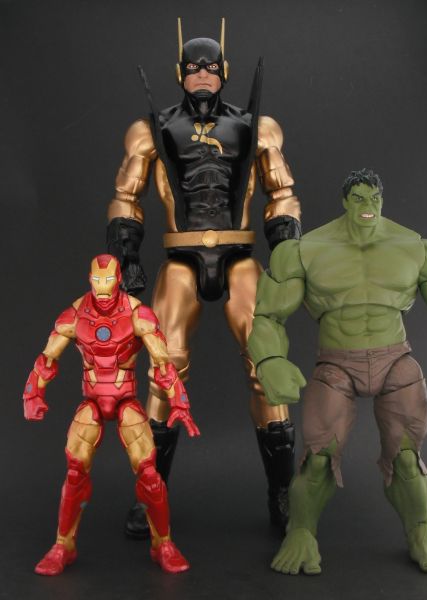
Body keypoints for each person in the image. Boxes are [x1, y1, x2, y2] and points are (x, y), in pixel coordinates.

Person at [107, 19, 302, 535]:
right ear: (179, 73)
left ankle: (283, 492)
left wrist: (287, 248)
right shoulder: (153, 129)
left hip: (239, 256)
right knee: (164, 369)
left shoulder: (256, 126)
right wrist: (126, 253)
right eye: (192, 67)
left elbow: (281, 193)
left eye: (210, 67)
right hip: (181, 258)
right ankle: (150, 494)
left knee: (267, 363)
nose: (201, 75)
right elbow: (127, 196)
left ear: (225, 71)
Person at [249, 168, 427, 574]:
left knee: (407, 458)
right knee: (317, 458)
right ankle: (301, 532)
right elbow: (268, 316)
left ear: (382, 200)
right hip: (336, 363)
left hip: (396, 360)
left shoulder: (416, 248)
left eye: (374, 198)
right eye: (359, 198)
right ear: (345, 201)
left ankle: (422, 528)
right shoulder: (307, 250)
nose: (368, 205)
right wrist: (270, 361)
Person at [23, 254, 199, 575]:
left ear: (118, 280)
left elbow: (163, 363)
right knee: (75, 471)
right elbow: (47, 357)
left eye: (108, 282)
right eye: (97, 281)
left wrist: (180, 403)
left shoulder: (136, 313)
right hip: (91, 401)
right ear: (90, 280)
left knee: (150, 474)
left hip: (125, 400)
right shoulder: (76, 313)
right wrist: (33, 393)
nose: (103, 289)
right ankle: (63, 545)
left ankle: (163, 544)